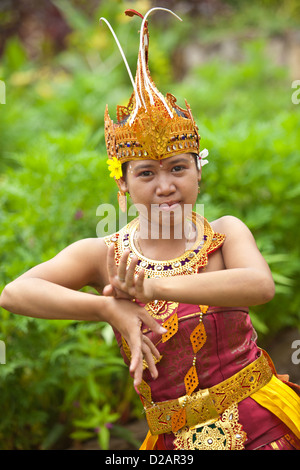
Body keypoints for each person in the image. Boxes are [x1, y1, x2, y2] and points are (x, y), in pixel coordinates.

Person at [1, 7, 300, 451]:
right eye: (146, 174)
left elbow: (258, 286)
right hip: (170, 443)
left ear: (199, 172)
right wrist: (108, 310)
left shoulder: (225, 232)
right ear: (122, 183)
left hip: (262, 425)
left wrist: (153, 286)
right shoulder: (103, 254)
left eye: (178, 168)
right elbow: (14, 293)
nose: (165, 186)